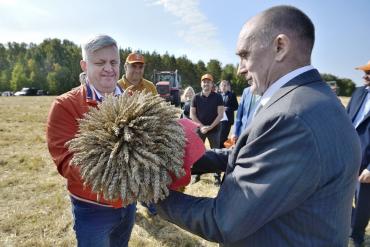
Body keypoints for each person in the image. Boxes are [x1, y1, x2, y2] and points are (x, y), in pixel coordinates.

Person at [156, 6, 361, 246]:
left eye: (244, 55)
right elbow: (253, 154)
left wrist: (154, 195)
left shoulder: (291, 116)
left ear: (280, 47)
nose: (239, 68)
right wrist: (186, 158)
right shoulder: (316, 98)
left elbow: (223, 221)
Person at [46, 35, 136, 247]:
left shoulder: (134, 101)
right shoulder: (65, 106)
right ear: (85, 65)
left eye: (113, 62)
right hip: (92, 208)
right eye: (100, 62)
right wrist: (116, 174)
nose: (108, 68)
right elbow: (67, 161)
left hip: (129, 203)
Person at [119, 52, 158, 216]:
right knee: (126, 175)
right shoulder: (115, 86)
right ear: (126, 66)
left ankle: (148, 201)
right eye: (133, 66)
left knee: (146, 173)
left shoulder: (150, 87)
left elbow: (157, 110)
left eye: (140, 66)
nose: (137, 69)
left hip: (146, 138)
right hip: (122, 139)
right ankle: (128, 206)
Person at [347, 60, 370, 247]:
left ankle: (357, 236)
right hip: (347, 156)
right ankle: (347, 226)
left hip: (366, 162)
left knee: (362, 201)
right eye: (365, 72)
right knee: (342, 196)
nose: (365, 76)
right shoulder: (358, 92)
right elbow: (346, 119)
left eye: (369, 72)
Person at [190, 73, 224, 184]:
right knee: (198, 152)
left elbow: (220, 115)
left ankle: (217, 175)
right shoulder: (196, 97)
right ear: (201, 84)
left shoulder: (218, 97)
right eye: (204, 82)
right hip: (200, 130)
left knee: (216, 153)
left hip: (214, 129)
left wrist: (209, 127)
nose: (206, 84)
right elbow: (192, 115)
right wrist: (202, 126)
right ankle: (197, 174)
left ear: (212, 84)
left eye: (208, 82)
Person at [219, 80, 238, 148]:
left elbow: (236, 107)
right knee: (220, 138)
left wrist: (226, 108)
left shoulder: (232, 94)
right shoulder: (218, 95)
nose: (223, 87)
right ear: (220, 87)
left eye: (225, 85)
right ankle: (225, 150)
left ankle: (226, 149)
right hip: (219, 120)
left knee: (222, 138)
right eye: (222, 85)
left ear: (228, 86)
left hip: (227, 120)